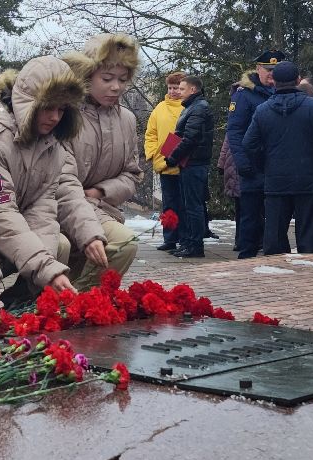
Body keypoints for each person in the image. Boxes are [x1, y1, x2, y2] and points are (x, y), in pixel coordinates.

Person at [0, 56, 108, 300]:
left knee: (54, 250)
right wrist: (45, 269)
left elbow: (43, 207)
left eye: (62, 109)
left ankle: (22, 303)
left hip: (6, 230)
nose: (55, 117)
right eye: (48, 107)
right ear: (27, 102)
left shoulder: (52, 142)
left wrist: (43, 274)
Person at [60, 34, 142, 285]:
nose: (116, 87)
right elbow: (58, 174)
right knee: (63, 255)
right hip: (61, 207)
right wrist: (81, 198)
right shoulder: (65, 113)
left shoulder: (127, 119)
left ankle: (79, 305)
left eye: (122, 79)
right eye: (107, 79)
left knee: (123, 244)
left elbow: (132, 173)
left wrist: (100, 191)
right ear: (88, 75)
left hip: (101, 207)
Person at [238, 60, 313, 255]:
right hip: (308, 179)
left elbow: (249, 144)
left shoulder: (263, 110)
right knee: (310, 235)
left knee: (274, 236)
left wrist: (265, 165)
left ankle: (277, 276)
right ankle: (310, 275)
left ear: (273, 81)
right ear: (298, 80)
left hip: (275, 180)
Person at [222, 51, 281, 259]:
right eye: (268, 70)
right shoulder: (244, 94)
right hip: (252, 165)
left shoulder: (283, 92)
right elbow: (235, 131)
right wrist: (242, 162)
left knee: (275, 216)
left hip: (276, 165)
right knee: (250, 216)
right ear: (258, 69)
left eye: (276, 70)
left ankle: (273, 256)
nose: (272, 74)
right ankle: (246, 258)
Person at [165, 73, 214, 257]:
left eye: (182, 89)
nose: (179, 92)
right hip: (190, 162)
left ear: (193, 89)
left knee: (193, 206)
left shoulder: (198, 108)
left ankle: (195, 246)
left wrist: (172, 157)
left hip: (194, 163)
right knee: (188, 205)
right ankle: (187, 242)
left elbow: (190, 138)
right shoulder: (193, 106)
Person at [143, 72, 186, 252]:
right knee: (169, 204)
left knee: (184, 204)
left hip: (184, 164)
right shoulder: (159, 108)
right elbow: (151, 133)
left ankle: (185, 238)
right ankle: (169, 238)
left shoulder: (188, 107)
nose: (173, 91)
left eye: (176, 88)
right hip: (164, 163)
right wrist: (153, 154)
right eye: (170, 88)